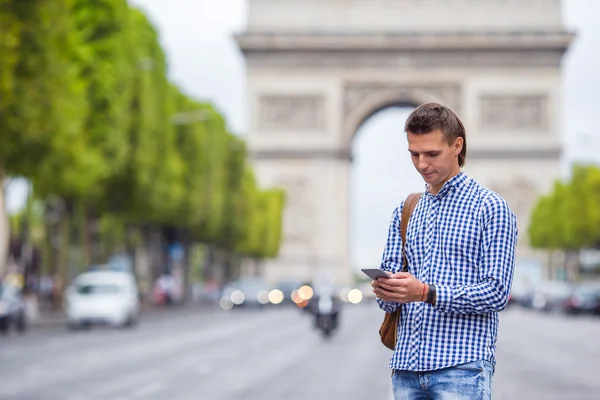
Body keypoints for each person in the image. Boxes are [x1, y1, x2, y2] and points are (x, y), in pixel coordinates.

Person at [372, 102, 518, 400]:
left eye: (432, 154)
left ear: (457, 146)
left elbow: (497, 293)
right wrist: (387, 290)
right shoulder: (406, 209)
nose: (422, 164)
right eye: (414, 154)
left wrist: (425, 292)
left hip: (461, 369)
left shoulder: (490, 208)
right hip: (406, 369)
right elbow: (389, 306)